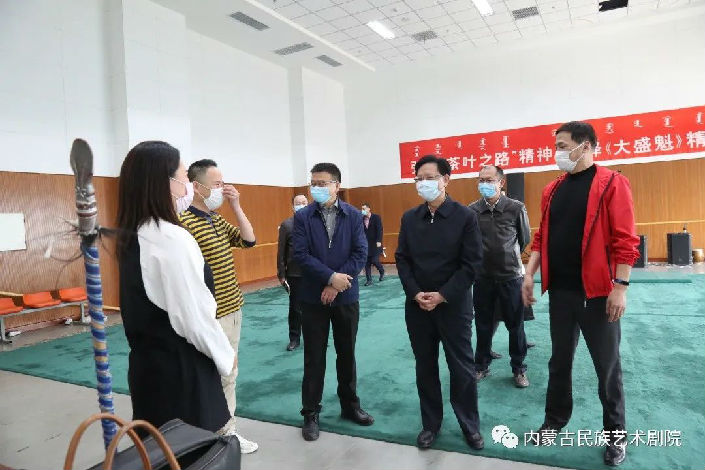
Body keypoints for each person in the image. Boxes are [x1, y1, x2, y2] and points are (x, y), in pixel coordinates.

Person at [522, 122, 639, 467]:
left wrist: (620, 287)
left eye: (562, 145)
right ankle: (554, 420)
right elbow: (541, 237)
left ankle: (615, 436)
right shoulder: (552, 190)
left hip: (598, 294)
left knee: (607, 367)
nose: (557, 152)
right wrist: (528, 274)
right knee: (559, 362)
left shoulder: (612, 184)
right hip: (561, 293)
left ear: (585, 145)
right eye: (556, 145)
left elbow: (625, 240)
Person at [116, 141, 236, 436]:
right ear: (164, 184)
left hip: (149, 373)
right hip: (182, 376)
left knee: (159, 449)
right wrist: (225, 355)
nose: (188, 188)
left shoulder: (135, 233)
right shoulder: (170, 238)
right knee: (190, 450)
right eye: (183, 178)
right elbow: (192, 315)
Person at [395, 155, 484, 451]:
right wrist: (415, 293)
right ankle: (430, 424)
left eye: (430, 177)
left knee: (462, 368)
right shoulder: (410, 218)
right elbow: (402, 259)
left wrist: (443, 295)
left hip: (453, 306)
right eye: (419, 178)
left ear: (446, 179)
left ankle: (470, 425)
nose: (424, 183)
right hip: (418, 306)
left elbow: (472, 264)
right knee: (425, 366)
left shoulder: (465, 217)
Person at [179, 159, 258, 454]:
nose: (222, 189)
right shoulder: (184, 223)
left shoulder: (215, 219)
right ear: (196, 187)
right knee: (218, 375)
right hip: (211, 316)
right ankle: (222, 435)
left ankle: (225, 431)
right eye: (217, 184)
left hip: (233, 308)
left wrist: (236, 206)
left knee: (229, 374)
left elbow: (248, 240)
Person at [293, 162, 374, 442]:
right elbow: (301, 255)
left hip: (346, 296)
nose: (316, 187)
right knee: (314, 357)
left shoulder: (353, 215)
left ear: (337, 185)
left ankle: (350, 406)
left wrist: (337, 284)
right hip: (313, 298)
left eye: (322, 183)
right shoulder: (303, 217)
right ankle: (310, 413)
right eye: (313, 183)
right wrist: (329, 278)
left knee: (346, 353)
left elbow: (360, 252)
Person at [469, 165, 531, 388]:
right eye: (481, 180)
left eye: (489, 180)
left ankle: (518, 368)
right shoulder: (472, 211)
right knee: (483, 324)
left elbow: (524, 238)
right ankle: (481, 365)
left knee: (516, 326)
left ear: (501, 182)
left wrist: (508, 257)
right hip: (483, 278)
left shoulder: (516, 208)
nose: (484, 184)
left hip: (510, 277)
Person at [277, 194, 309, 351]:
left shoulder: (315, 223)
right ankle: (294, 338)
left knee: (314, 308)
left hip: (313, 273)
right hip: (295, 274)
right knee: (295, 308)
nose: (301, 205)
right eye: (298, 203)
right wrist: (281, 274)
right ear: (292, 206)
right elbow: (281, 251)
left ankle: (313, 337)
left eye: (304, 202)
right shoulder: (287, 225)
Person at [361, 203, 385, 286]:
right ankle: (369, 280)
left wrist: (379, 241)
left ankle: (381, 271)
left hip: (375, 244)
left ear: (369, 209)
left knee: (375, 260)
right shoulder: (361, 219)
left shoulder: (376, 217)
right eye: (362, 209)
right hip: (366, 244)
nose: (362, 210)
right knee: (366, 263)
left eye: (364, 209)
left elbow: (380, 230)